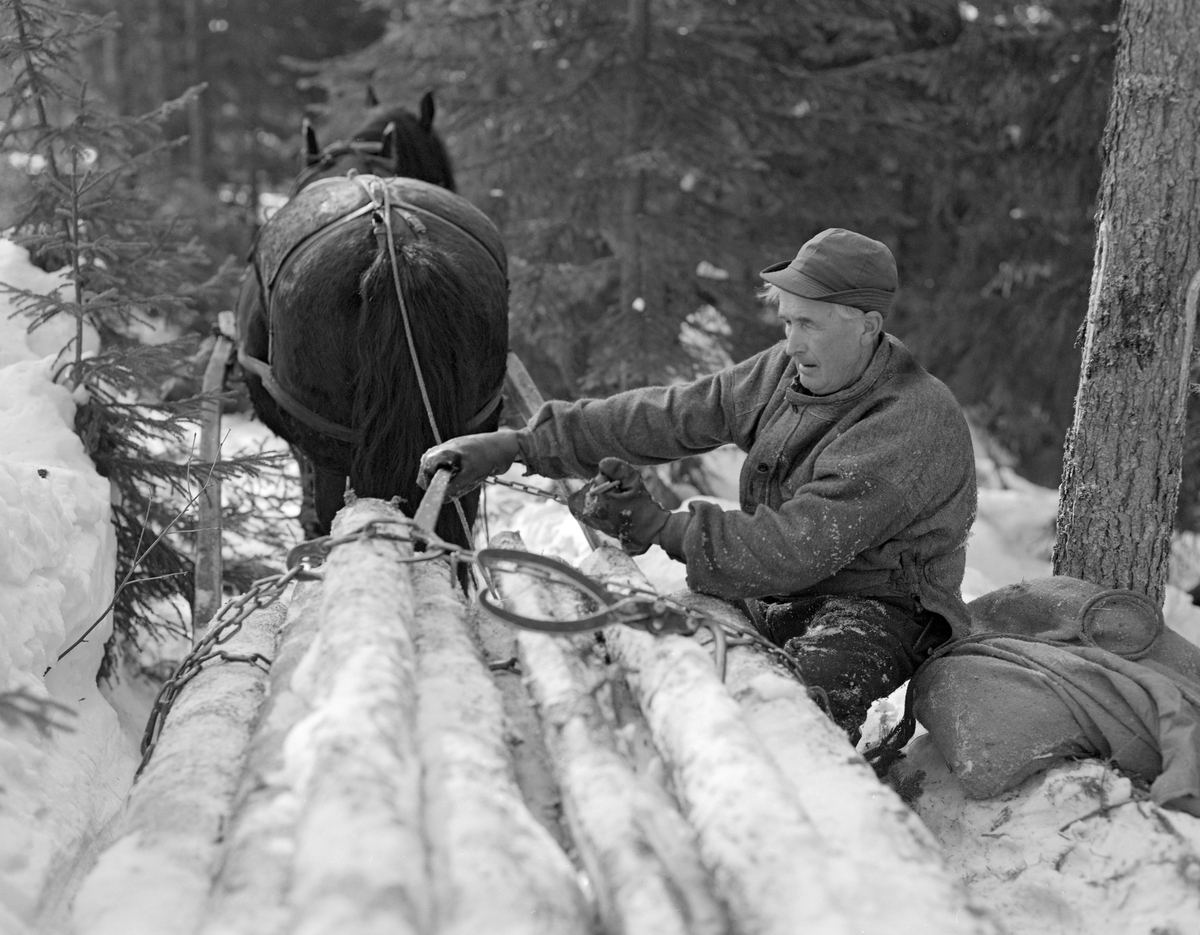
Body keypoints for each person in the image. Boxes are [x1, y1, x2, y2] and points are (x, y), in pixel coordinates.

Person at [419, 228, 977, 743]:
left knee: (785, 718)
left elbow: (799, 544)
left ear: (868, 327)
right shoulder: (789, 371)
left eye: (808, 325)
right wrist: (522, 445)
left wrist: (666, 528)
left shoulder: (909, 421)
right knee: (674, 669)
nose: (791, 344)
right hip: (782, 588)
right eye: (786, 322)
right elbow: (672, 414)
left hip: (879, 608)